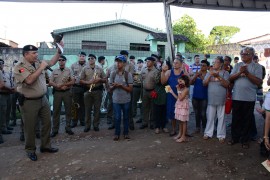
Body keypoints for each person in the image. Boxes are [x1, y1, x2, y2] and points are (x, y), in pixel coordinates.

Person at [13, 44, 61, 161]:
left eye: (36, 53)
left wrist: (59, 51)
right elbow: (29, 80)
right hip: (29, 102)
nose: (36, 55)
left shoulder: (39, 63)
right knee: (30, 127)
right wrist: (41, 68)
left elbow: (53, 62)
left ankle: (45, 146)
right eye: (33, 53)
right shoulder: (19, 67)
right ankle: (30, 150)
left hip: (43, 99)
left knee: (47, 123)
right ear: (26, 54)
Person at [228, 47, 262, 149]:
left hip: (249, 98)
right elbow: (230, 78)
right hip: (237, 96)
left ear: (251, 55)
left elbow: (258, 82)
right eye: (241, 54)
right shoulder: (237, 65)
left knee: (247, 119)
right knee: (236, 118)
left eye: (245, 54)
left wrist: (247, 73)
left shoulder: (257, 67)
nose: (243, 55)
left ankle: (245, 140)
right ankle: (235, 138)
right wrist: (239, 73)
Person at [203, 56, 229, 143]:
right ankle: (208, 133)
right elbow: (204, 84)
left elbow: (226, 85)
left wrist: (218, 76)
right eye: (213, 62)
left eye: (216, 62)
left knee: (221, 117)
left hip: (221, 99)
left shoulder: (225, 73)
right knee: (210, 117)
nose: (214, 63)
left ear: (221, 64)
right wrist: (210, 75)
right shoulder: (209, 72)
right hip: (211, 98)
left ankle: (221, 135)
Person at [161, 56, 188, 136]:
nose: (175, 64)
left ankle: (183, 131)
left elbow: (188, 81)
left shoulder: (183, 72)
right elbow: (163, 83)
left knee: (182, 112)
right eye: (174, 62)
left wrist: (185, 70)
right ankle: (173, 129)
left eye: (177, 63)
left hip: (182, 95)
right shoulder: (169, 72)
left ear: (181, 64)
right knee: (172, 112)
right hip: (170, 95)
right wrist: (162, 71)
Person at [49, 55, 75, 137]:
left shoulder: (69, 70)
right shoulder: (54, 71)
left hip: (67, 92)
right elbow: (50, 81)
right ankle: (55, 129)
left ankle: (68, 127)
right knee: (56, 111)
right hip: (57, 93)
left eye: (62, 60)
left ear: (65, 61)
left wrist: (64, 85)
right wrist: (57, 86)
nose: (61, 61)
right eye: (59, 60)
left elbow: (73, 81)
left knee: (68, 111)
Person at [80, 54, 107, 132]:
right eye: (89, 58)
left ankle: (96, 125)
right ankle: (87, 125)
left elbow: (105, 79)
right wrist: (88, 82)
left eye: (92, 58)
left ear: (95, 59)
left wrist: (99, 80)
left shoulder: (100, 68)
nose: (90, 60)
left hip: (97, 91)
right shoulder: (85, 68)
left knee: (97, 109)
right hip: (87, 91)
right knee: (87, 109)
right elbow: (81, 80)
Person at [109, 55, 133, 141]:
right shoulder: (113, 73)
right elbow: (110, 89)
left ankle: (126, 133)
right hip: (116, 100)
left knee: (126, 117)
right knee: (117, 117)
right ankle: (117, 133)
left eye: (120, 62)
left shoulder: (128, 74)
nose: (118, 63)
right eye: (117, 62)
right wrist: (114, 86)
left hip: (126, 100)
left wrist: (121, 86)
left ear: (124, 63)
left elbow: (130, 89)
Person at [140, 56, 160, 129]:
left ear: (153, 62)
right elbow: (140, 78)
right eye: (146, 61)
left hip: (153, 91)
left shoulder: (156, 71)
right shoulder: (144, 70)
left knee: (152, 108)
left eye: (148, 61)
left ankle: (152, 123)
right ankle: (144, 122)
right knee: (144, 107)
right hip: (145, 91)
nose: (147, 63)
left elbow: (157, 82)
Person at [190, 60, 209, 133]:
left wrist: (200, 76)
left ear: (207, 67)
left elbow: (206, 84)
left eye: (204, 65)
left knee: (203, 113)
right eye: (201, 65)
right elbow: (191, 83)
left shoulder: (208, 74)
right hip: (195, 96)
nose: (202, 67)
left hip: (204, 97)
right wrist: (196, 75)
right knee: (197, 113)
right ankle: (198, 127)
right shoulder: (196, 74)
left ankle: (204, 127)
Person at [169, 75, 190, 143]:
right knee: (180, 121)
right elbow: (178, 98)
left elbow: (181, 98)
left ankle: (183, 136)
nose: (180, 82)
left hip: (183, 106)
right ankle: (180, 134)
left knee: (183, 121)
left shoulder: (186, 89)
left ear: (185, 82)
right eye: (179, 81)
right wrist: (172, 92)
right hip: (179, 105)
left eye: (181, 81)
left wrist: (178, 90)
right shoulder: (181, 88)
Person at [153, 61, 171, 134]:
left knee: (164, 111)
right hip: (158, 93)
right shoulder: (158, 72)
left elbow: (168, 85)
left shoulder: (171, 73)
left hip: (166, 92)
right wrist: (163, 72)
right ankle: (157, 127)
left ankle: (164, 126)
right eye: (163, 65)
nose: (164, 66)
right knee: (157, 110)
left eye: (166, 65)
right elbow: (159, 81)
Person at [70, 52, 87, 128]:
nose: (82, 57)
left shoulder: (88, 65)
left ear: (85, 57)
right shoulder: (73, 65)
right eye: (80, 56)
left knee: (83, 105)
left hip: (85, 87)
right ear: (78, 57)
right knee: (75, 105)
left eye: (83, 56)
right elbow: (71, 75)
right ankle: (74, 120)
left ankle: (82, 120)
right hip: (76, 87)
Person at [0, 59, 14, 136]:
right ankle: (3, 128)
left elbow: (10, 81)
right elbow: (1, 86)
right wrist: (10, 89)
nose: (1, 65)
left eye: (2, 63)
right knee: (3, 111)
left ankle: (7, 125)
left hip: (8, 94)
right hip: (2, 94)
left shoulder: (6, 73)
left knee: (8, 110)